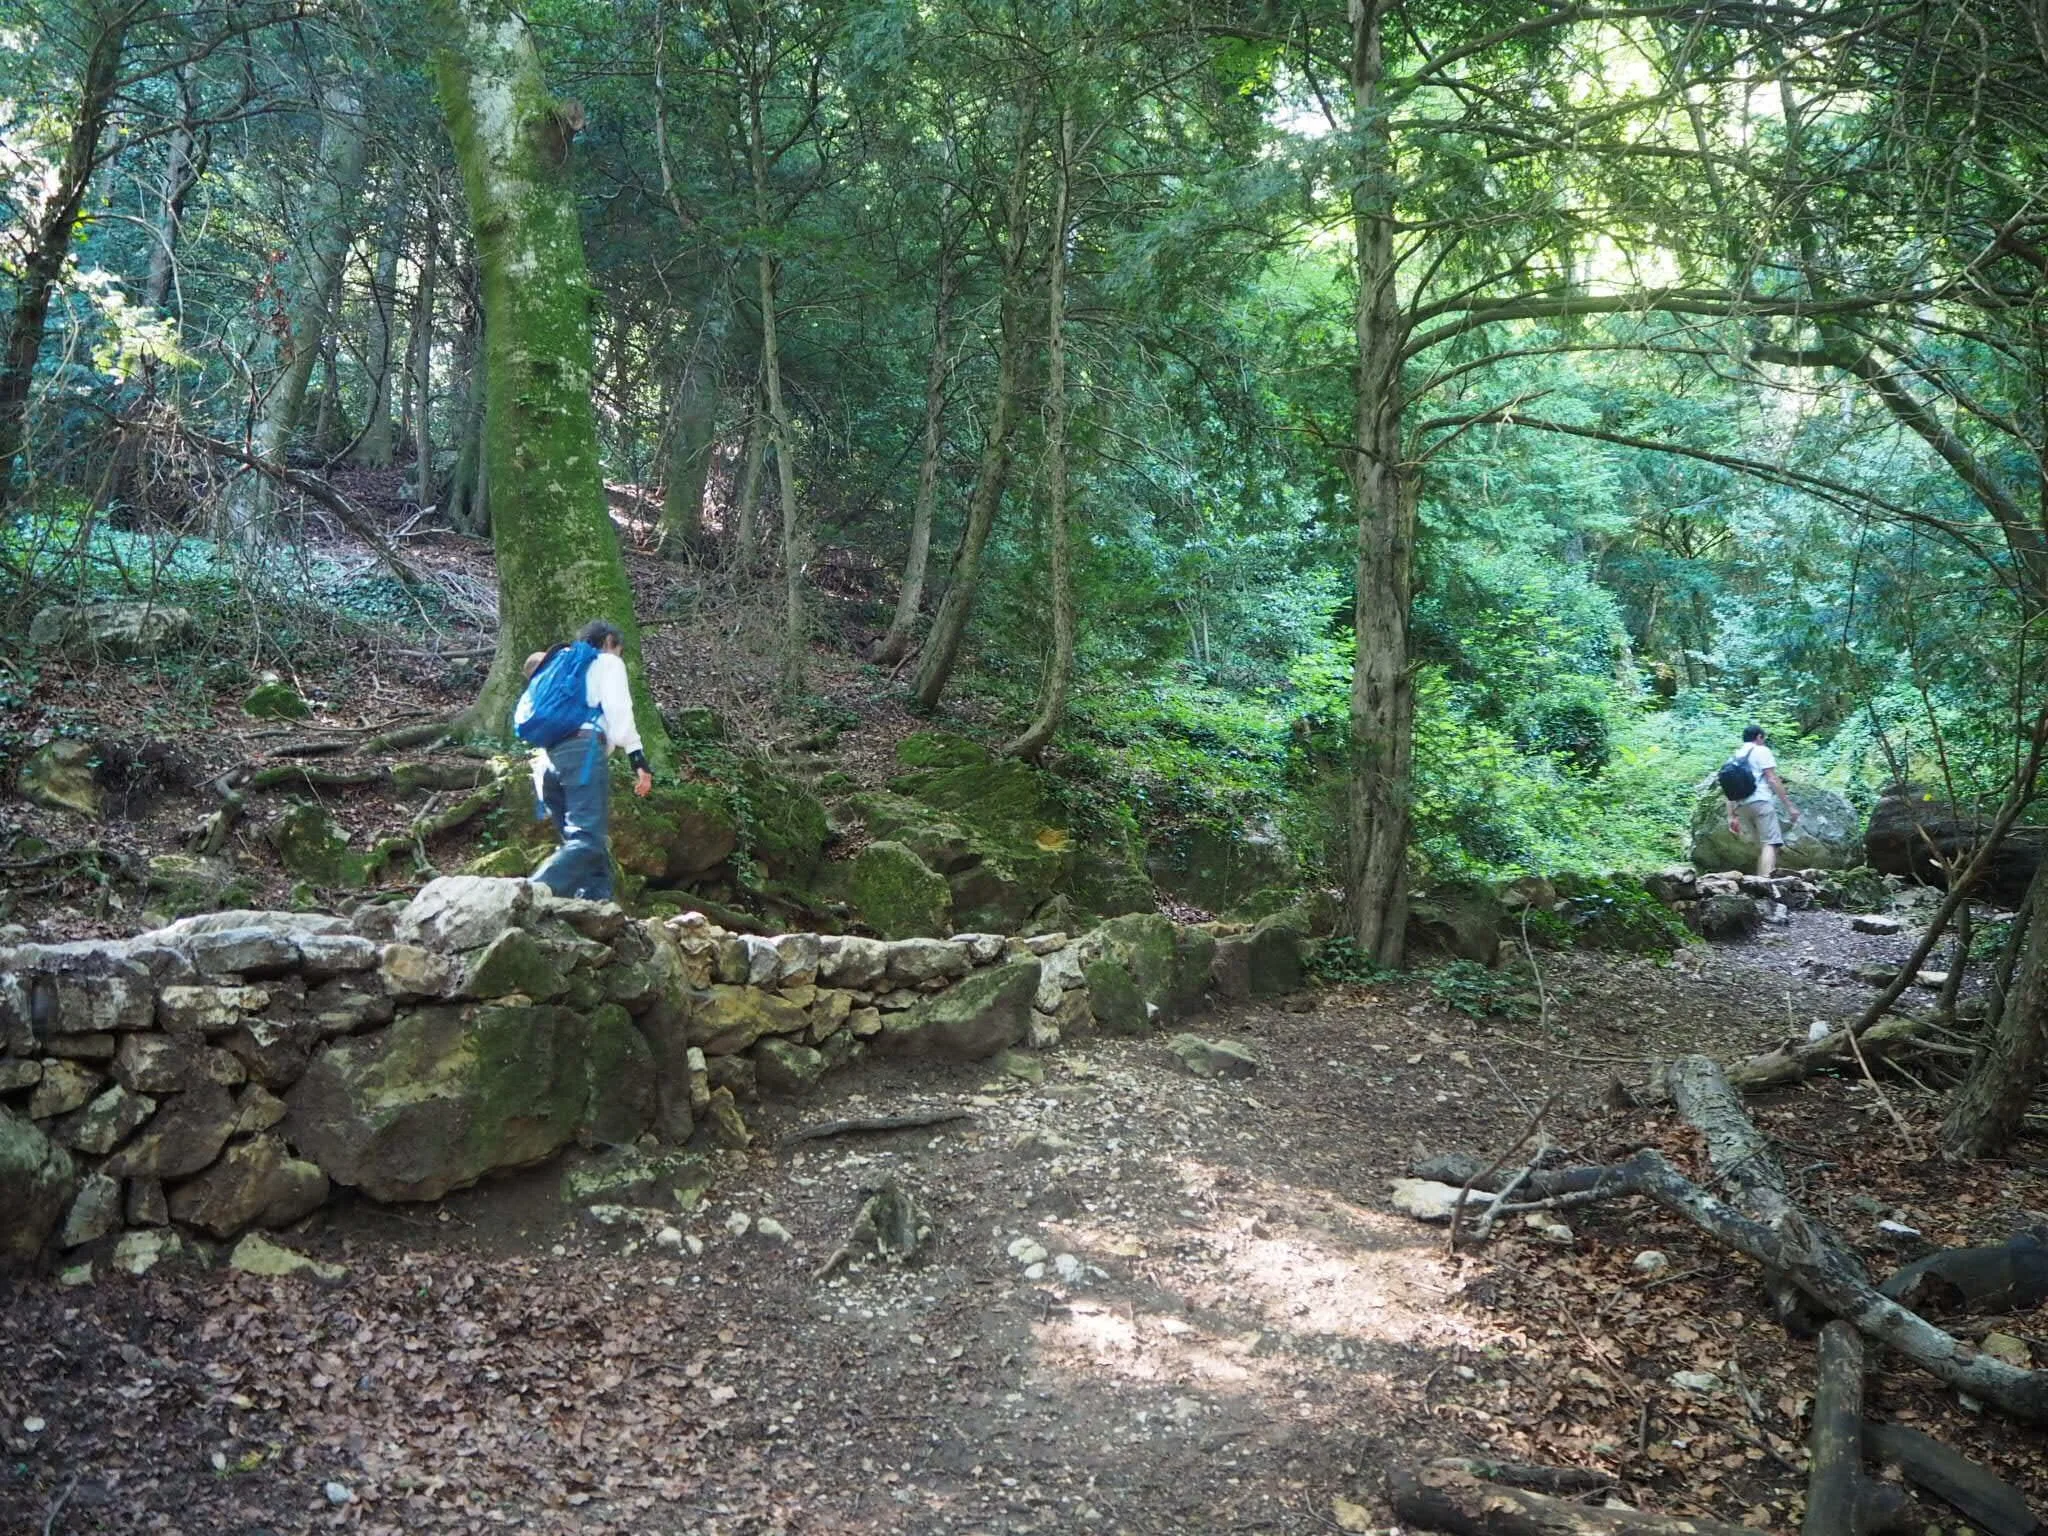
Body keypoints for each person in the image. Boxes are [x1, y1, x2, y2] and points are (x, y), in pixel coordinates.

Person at [525, 619, 654, 902]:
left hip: (547, 760)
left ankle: (598, 912)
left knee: (586, 846)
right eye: (618, 650)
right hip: (581, 754)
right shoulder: (607, 662)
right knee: (587, 840)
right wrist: (638, 760)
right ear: (609, 642)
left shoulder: (561, 664)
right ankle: (530, 893)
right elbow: (620, 712)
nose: (618, 656)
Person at [1723, 724, 1800, 878]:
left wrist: (1731, 816)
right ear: (1759, 737)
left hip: (1741, 806)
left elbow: (1728, 788)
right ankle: (1766, 881)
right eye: (1763, 739)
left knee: (1763, 846)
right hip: (1760, 802)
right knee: (1771, 843)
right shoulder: (1761, 750)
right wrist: (1789, 806)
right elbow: (1772, 778)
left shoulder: (1735, 756)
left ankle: (1759, 881)